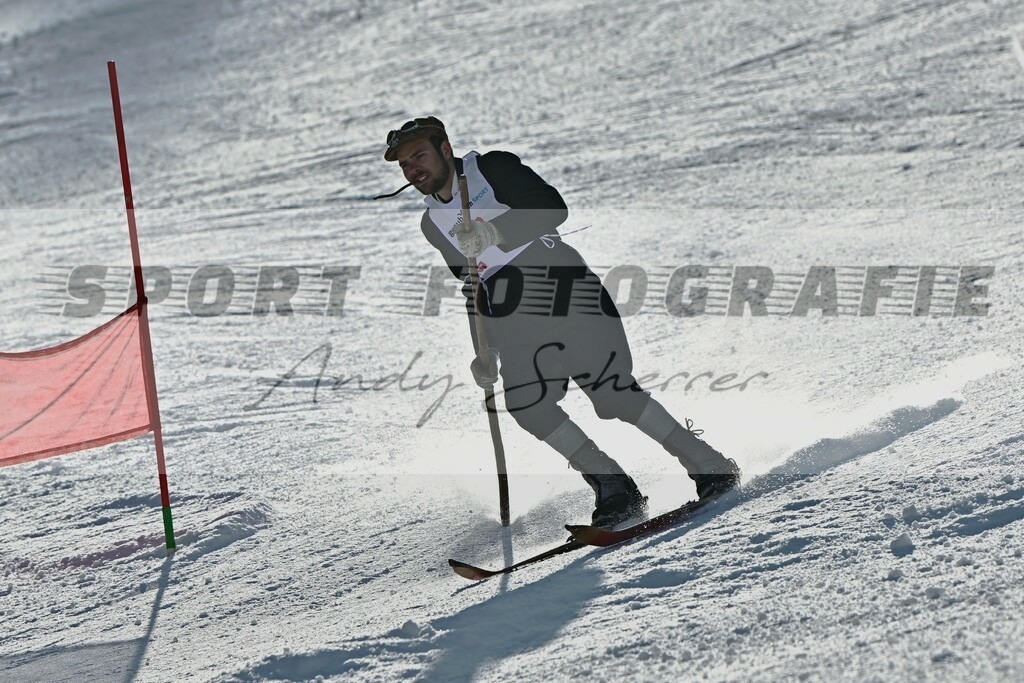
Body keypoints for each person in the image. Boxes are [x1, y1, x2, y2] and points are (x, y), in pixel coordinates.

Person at [382, 116, 740, 528]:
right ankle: (614, 488)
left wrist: (493, 232)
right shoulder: (432, 223)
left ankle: (707, 463)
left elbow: (553, 207)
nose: (413, 170)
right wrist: (486, 353)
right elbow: (473, 285)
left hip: (560, 282)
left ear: (445, 148)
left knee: (612, 391)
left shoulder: (492, 168)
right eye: (405, 165)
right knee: (527, 404)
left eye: (419, 156)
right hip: (511, 313)